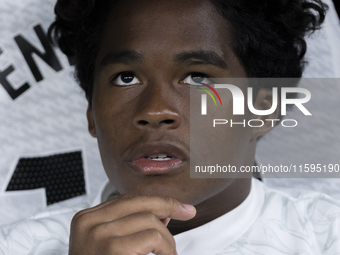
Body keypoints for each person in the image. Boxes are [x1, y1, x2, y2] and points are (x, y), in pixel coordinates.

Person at [1, 0, 340, 254]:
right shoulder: (20, 246)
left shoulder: (327, 236)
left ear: (263, 110)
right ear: (92, 112)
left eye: (197, 77)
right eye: (126, 78)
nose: (155, 110)